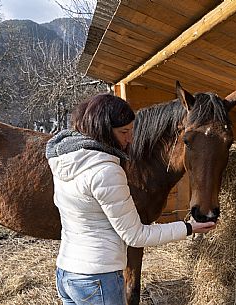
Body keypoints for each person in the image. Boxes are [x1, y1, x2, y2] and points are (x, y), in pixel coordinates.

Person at [45, 93, 216, 305]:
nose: (130, 139)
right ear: (103, 131)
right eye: (124, 132)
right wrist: (189, 228)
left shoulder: (65, 161)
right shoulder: (106, 171)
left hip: (67, 275)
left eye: (131, 130)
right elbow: (135, 236)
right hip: (99, 279)